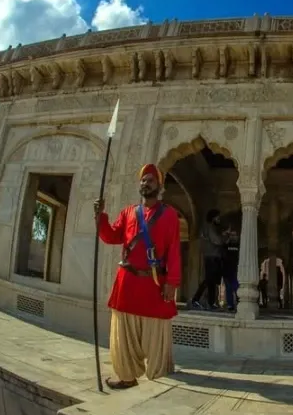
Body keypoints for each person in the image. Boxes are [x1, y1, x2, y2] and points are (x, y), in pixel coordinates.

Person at [94, 163, 181, 390]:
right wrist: (100, 217)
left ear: (159, 185)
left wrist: (172, 282)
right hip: (128, 281)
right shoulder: (129, 212)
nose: (145, 183)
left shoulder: (169, 214)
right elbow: (111, 237)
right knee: (123, 333)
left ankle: (160, 376)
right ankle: (127, 376)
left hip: (154, 282)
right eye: (143, 180)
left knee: (156, 332)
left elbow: (174, 249)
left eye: (150, 180)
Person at [189, 210, 226, 310]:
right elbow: (217, 241)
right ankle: (196, 299)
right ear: (213, 218)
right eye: (217, 217)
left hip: (211, 256)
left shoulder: (208, 227)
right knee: (209, 279)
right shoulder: (210, 227)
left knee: (211, 281)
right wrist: (224, 236)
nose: (219, 219)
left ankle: (211, 303)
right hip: (212, 257)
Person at [222, 228, 240, 311]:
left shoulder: (239, 245)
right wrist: (227, 237)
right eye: (231, 235)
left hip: (236, 271)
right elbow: (223, 247)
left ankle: (240, 303)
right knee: (228, 288)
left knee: (236, 287)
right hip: (227, 270)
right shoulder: (227, 245)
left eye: (234, 235)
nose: (233, 237)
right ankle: (230, 305)